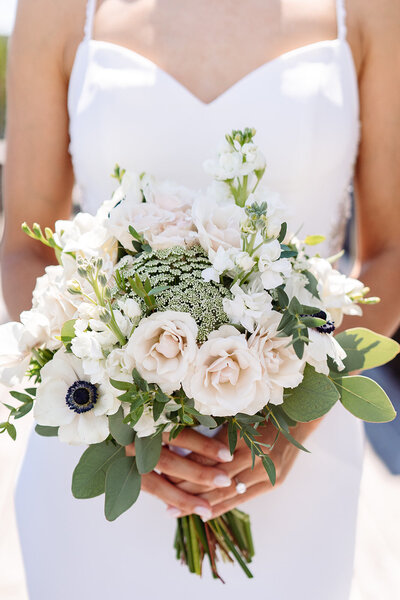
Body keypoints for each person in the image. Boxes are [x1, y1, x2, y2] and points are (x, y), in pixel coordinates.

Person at [2, 0, 400, 598]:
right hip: (108, 458)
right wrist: (118, 414)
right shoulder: (57, 10)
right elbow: (25, 251)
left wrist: (300, 409)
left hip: (295, 468)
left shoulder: (370, 11)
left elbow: (390, 250)